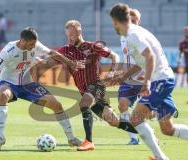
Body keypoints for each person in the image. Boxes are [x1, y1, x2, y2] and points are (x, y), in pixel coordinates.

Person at [110, 3, 188, 160]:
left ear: (115, 21)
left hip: (160, 80)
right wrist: (122, 77)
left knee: (135, 119)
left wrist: (146, 83)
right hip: (163, 79)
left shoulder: (132, 34)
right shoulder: (135, 33)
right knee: (167, 128)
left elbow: (150, 56)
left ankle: (160, 157)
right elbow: (141, 61)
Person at [0, 27, 82, 151]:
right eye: (31, 44)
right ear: (23, 41)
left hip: (27, 83)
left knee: (56, 104)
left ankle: (71, 138)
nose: (34, 46)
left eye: (35, 44)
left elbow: (52, 53)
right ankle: (0, 138)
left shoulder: (35, 45)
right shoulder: (8, 50)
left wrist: (69, 62)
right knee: (3, 95)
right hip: (8, 82)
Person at [56, 20, 140, 151]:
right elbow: (51, 55)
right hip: (86, 92)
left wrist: (112, 71)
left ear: (79, 31)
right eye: (68, 35)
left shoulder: (93, 46)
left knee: (84, 104)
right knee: (114, 121)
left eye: (72, 34)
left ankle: (88, 142)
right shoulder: (66, 50)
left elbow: (114, 56)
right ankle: (145, 133)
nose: (70, 37)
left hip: (96, 86)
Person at [119, 8, 142, 145]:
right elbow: (128, 58)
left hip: (143, 77)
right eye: (130, 20)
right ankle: (134, 138)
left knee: (146, 112)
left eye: (135, 20)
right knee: (122, 106)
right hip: (128, 77)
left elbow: (141, 63)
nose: (132, 23)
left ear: (139, 21)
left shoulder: (141, 37)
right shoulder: (123, 36)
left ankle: (150, 134)